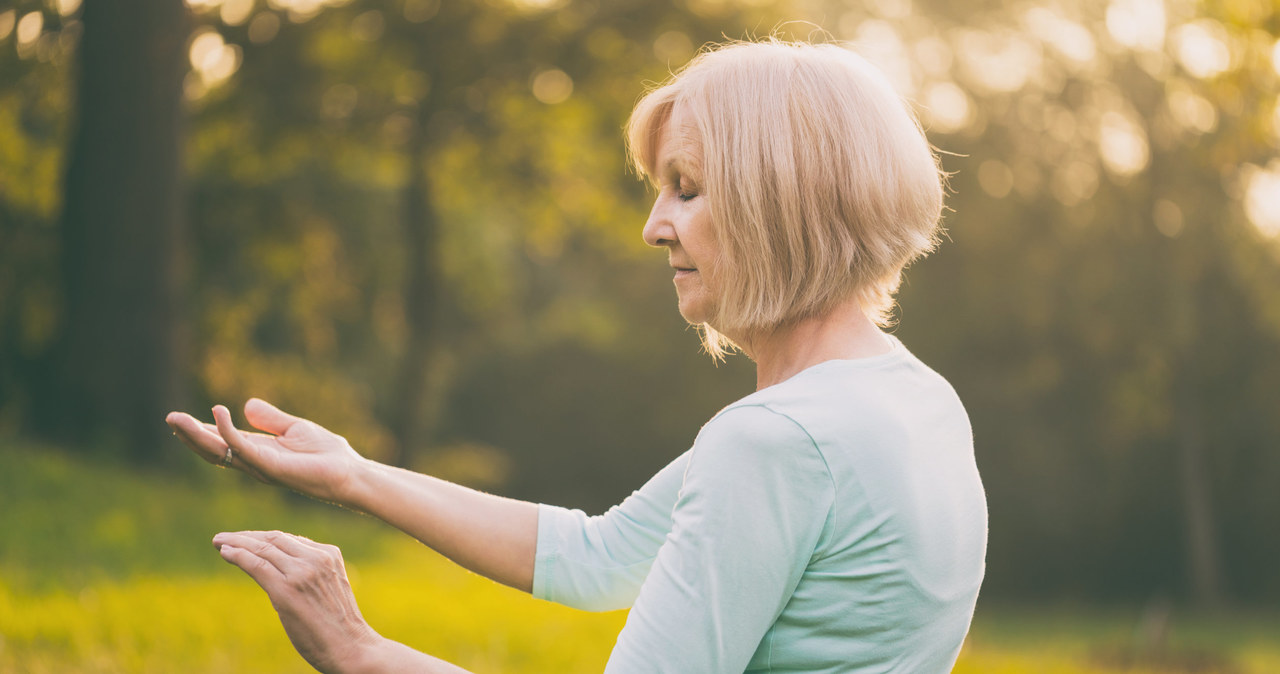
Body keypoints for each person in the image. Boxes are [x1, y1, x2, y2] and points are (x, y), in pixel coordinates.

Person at [167, 38, 987, 674]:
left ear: (781, 204)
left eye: (688, 188)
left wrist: (358, 649)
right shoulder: (915, 400)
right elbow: (597, 555)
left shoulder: (777, 443)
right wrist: (354, 475)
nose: (655, 225)